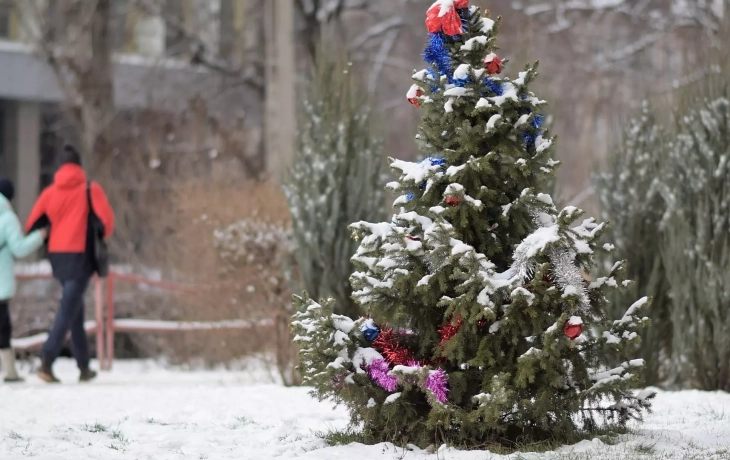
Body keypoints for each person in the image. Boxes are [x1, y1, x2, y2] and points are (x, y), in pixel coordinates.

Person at [26, 145, 114, 383]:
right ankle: (47, 358)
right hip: (79, 255)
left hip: (57, 256)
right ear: (79, 165)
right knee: (69, 306)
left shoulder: (50, 192)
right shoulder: (89, 189)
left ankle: (83, 366)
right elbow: (107, 222)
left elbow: (32, 224)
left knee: (74, 306)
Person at [0, 179, 46, 383]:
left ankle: (10, 372)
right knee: (2, 328)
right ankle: (10, 372)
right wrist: (40, 235)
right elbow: (19, 248)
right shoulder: (7, 217)